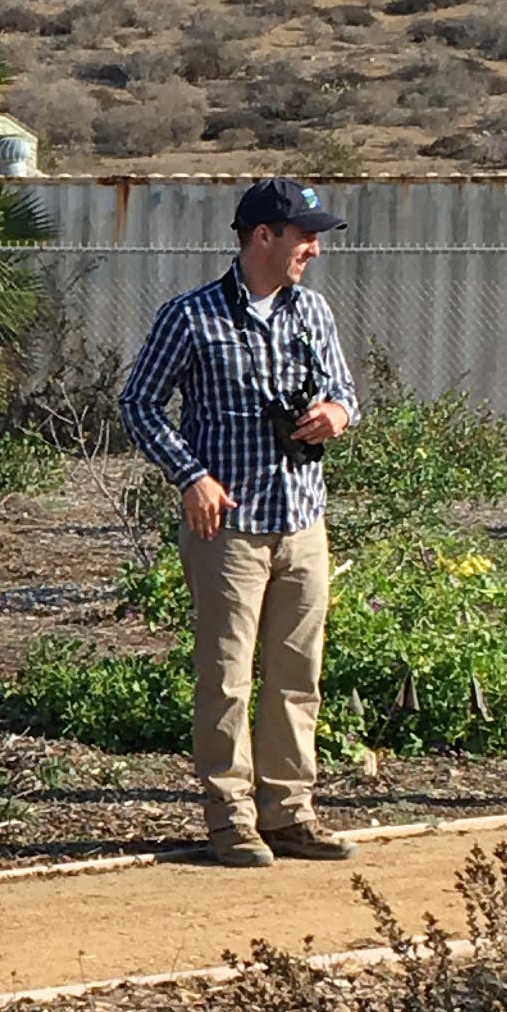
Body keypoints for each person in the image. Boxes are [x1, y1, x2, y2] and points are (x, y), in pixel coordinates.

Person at [120, 177, 360, 867]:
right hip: (229, 527)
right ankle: (230, 820)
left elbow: (343, 389)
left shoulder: (311, 312)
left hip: (302, 518)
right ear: (263, 236)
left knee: (297, 672)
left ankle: (289, 812)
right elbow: (139, 403)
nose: (313, 249)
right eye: (304, 235)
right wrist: (191, 476)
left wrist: (336, 414)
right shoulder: (190, 317)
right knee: (225, 675)